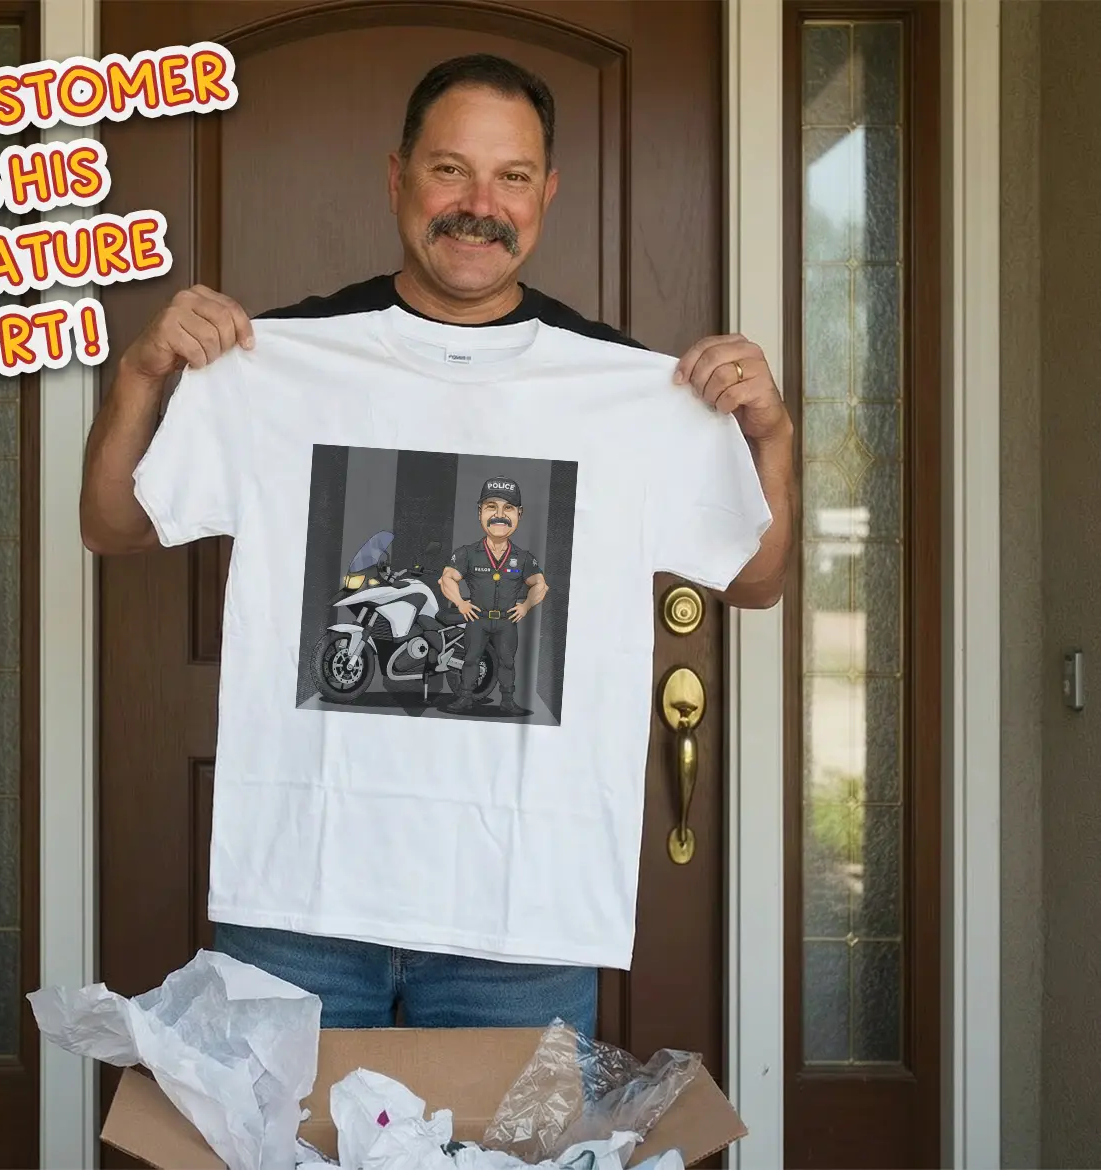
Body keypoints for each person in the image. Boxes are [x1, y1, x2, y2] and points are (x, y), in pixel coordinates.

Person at [80, 54, 795, 1036]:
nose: (479, 204)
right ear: (398, 177)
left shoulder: (628, 391)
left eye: (511, 176)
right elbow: (111, 525)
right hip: (298, 901)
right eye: (450, 169)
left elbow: (755, 580)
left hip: (524, 917)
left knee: (510, 1130)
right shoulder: (274, 362)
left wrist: (771, 438)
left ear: (546, 194)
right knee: (275, 1127)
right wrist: (142, 374)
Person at [440, 476, 547, 717]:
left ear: (519, 513)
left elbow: (540, 584)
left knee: (507, 662)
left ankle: (507, 701)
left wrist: (526, 606)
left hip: (506, 621)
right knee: (471, 659)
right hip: (477, 619)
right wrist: (460, 603)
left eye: (508, 508)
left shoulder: (523, 558)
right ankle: (465, 698)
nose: (500, 515)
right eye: (491, 507)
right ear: (480, 512)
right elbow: (447, 578)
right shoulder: (467, 553)